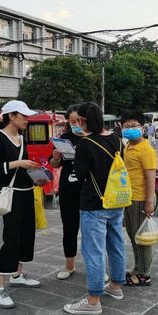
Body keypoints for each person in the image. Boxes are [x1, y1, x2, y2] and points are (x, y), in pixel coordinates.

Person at [64, 102, 126, 315]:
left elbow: (80, 173)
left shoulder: (85, 143)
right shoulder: (117, 139)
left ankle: (93, 301)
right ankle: (115, 286)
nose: (78, 124)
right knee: (116, 245)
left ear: (84, 120)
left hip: (94, 203)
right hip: (116, 200)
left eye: (79, 120)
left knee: (94, 252)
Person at [0, 100, 45, 309]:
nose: (27, 120)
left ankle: (17, 275)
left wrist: (36, 177)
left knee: (26, 235)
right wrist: (19, 163)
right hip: (12, 195)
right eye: (24, 116)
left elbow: (21, 170)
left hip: (27, 193)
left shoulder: (20, 137)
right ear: (11, 116)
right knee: (11, 239)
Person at [120, 111, 157, 287]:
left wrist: (149, 202)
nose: (130, 129)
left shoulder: (146, 149)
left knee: (142, 239)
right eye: (126, 126)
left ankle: (144, 274)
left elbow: (151, 177)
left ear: (142, 128)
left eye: (134, 126)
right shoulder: (127, 146)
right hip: (129, 198)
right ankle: (138, 267)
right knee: (134, 236)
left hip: (140, 199)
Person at [50, 105, 86, 280]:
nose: (76, 124)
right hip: (68, 190)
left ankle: (97, 266)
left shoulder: (93, 138)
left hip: (89, 191)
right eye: (72, 122)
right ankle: (69, 265)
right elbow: (54, 164)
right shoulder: (64, 139)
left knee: (92, 231)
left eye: (79, 121)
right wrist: (56, 158)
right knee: (69, 228)